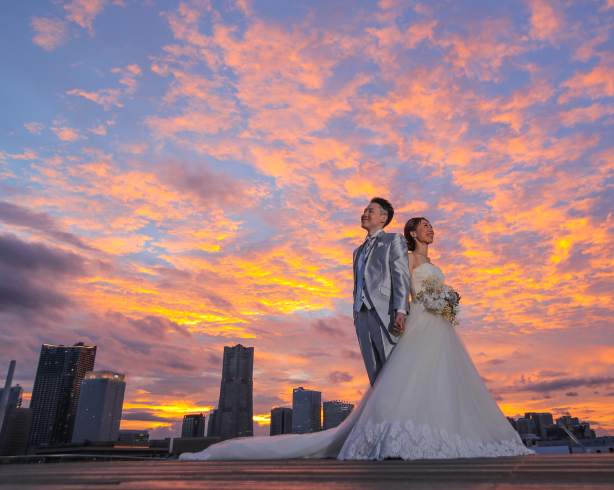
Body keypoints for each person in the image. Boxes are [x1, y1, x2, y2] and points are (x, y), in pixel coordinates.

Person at [180, 214, 531, 460]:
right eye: (425, 226)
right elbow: (407, 289)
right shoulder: (407, 257)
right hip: (421, 320)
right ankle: (396, 437)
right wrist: (415, 305)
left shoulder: (433, 262)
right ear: (411, 232)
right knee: (411, 378)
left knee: (445, 381)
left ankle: (452, 433)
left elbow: (436, 291)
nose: (431, 230)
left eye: (432, 226)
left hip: (439, 325)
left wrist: (449, 301)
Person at [352, 197, 411, 386]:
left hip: (385, 312)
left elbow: (401, 275)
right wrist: (355, 313)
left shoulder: (394, 239)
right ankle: (381, 415)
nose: (365, 214)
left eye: (370, 211)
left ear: (383, 218)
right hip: (361, 316)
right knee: (374, 376)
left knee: (392, 370)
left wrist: (401, 309)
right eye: (365, 211)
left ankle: (400, 415)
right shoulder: (357, 251)